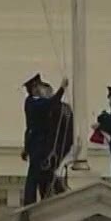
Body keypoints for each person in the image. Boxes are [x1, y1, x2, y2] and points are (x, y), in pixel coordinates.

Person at [20, 73, 70, 205]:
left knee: (44, 174)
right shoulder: (33, 102)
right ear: (35, 87)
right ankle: (29, 203)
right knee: (35, 175)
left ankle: (45, 199)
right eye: (40, 86)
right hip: (38, 144)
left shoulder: (34, 102)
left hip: (42, 145)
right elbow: (50, 104)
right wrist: (62, 89)